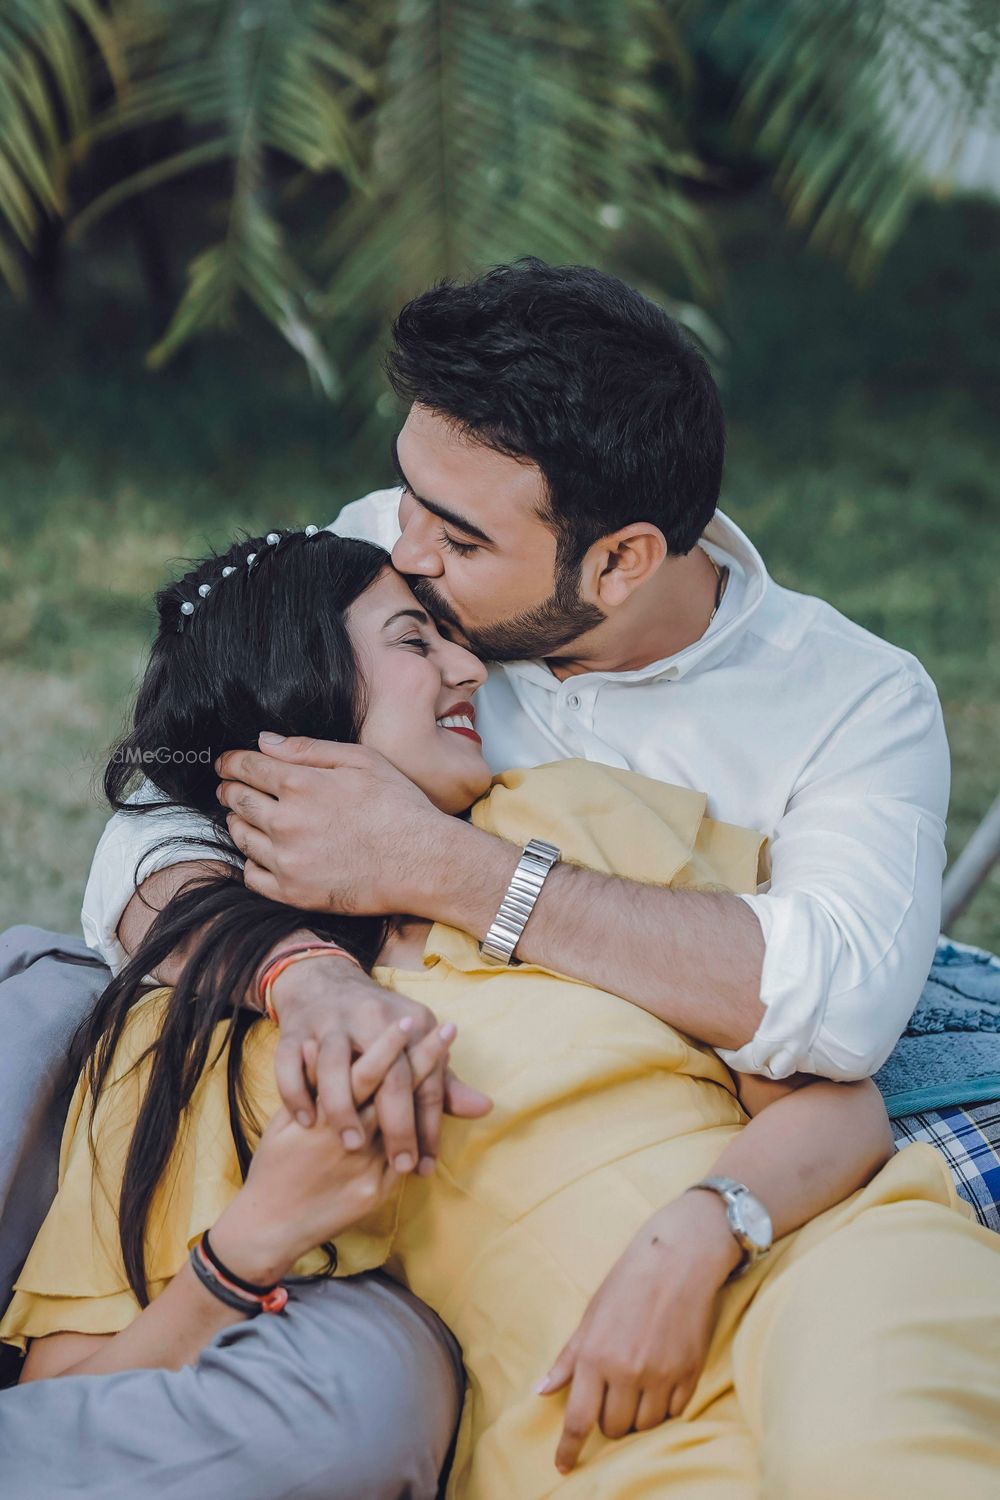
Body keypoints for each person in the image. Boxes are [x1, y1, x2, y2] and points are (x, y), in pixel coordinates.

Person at [3, 529, 998, 1500]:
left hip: (818, 1278)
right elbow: (74, 1402)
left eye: (448, 636)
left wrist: (702, 1231)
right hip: (574, 1425)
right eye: (413, 641)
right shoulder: (193, 1038)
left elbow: (830, 1102)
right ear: (295, 704)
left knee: (873, 1467)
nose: (469, 669)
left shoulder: (568, 821)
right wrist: (252, 1240)